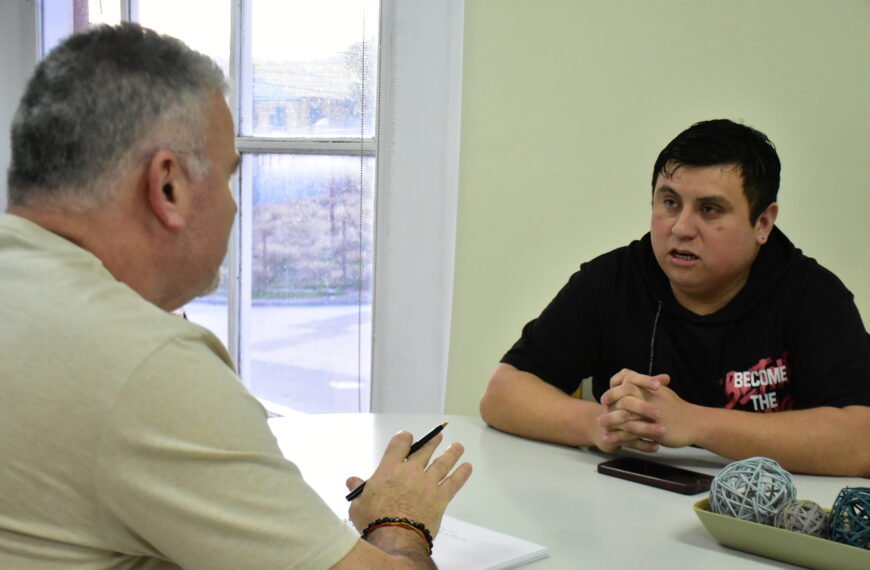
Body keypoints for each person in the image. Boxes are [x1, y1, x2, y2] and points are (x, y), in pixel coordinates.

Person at [0, 23, 471, 569]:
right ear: (169, 186)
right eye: (228, 177)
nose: (233, 206)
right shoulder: (146, 366)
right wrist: (399, 521)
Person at [480, 119, 870, 477]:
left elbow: (859, 440)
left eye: (710, 209)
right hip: (626, 513)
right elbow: (503, 392)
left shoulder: (814, 296)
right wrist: (602, 425)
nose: (682, 228)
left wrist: (693, 423)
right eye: (670, 203)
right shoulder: (610, 281)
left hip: (759, 528)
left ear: (763, 223)